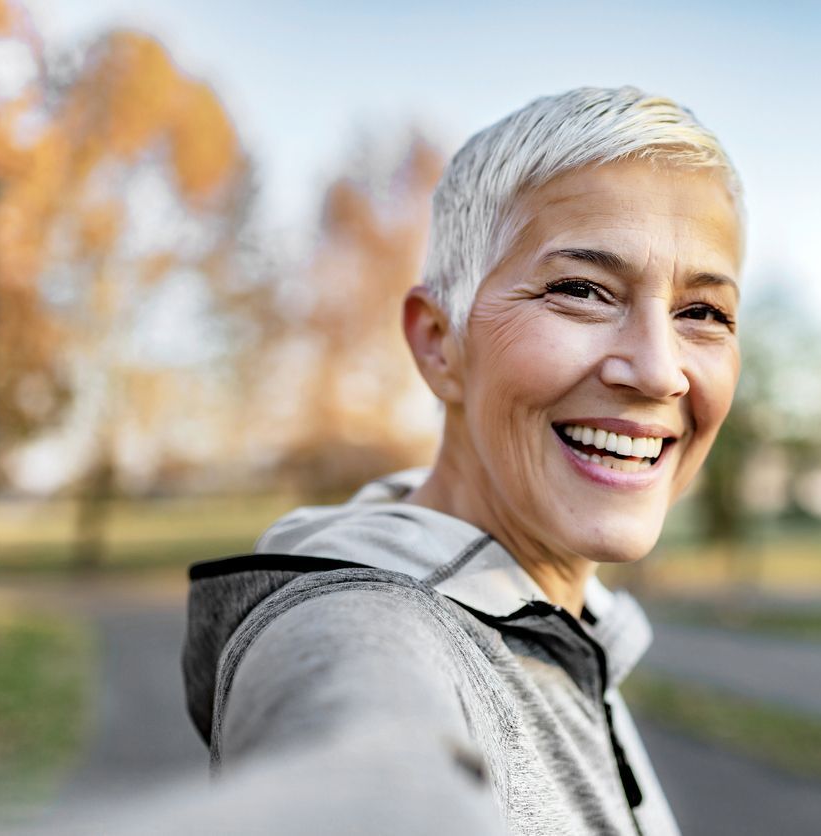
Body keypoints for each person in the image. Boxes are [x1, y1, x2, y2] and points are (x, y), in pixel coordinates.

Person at [181, 85, 744, 836]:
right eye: (580, 291)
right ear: (440, 343)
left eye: (701, 313)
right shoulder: (355, 631)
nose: (657, 370)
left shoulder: (567, 623)